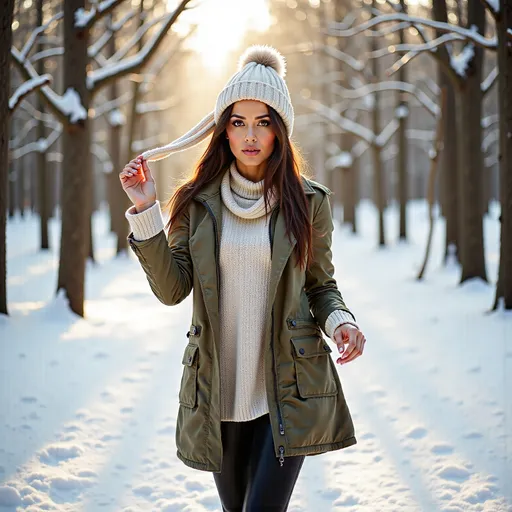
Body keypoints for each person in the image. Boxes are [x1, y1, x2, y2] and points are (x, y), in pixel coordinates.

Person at [119, 45, 366, 512]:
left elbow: (321, 286)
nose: (250, 134)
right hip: (219, 393)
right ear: (223, 131)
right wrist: (145, 209)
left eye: (263, 122)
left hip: (288, 389)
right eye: (238, 122)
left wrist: (341, 323)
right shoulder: (196, 203)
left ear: (280, 130)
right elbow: (172, 290)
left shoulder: (308, 202)